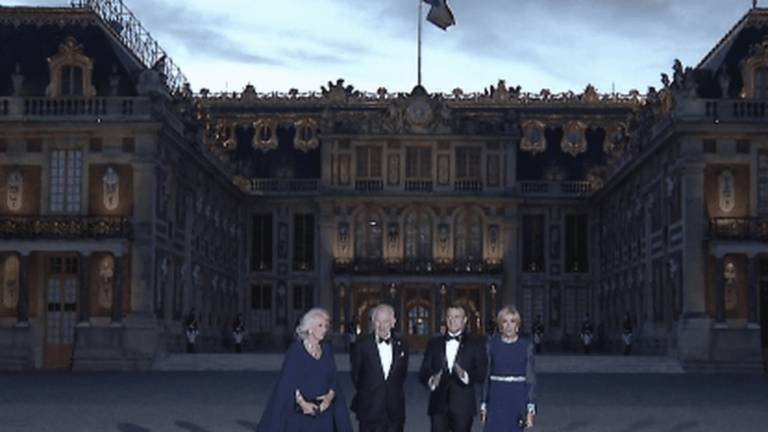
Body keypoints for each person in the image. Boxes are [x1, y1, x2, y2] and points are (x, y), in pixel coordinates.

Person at [256, 308, 352, 432]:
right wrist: (303, 403)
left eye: (325, 326)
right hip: (302, 415)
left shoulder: (327, 349)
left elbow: (333, 377)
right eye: (320, 326)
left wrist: (329, 397)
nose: (324, 329)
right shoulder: (296, 350)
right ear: (310, 328)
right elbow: (288, 382)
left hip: (325, 414)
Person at [419, 303, 487, 432]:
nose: (452, 320)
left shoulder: (475, 344)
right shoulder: (434, 343)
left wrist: (466, 376)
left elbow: (482, 373)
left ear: (464, 320)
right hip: (438, 404)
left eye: (457, 317)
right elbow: (424, 371)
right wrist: (431, 380)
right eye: (449, 317)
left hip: (463, 405)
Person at [350, 303, 410, 432]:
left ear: (393, 322)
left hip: (395, 410)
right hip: (369, 409)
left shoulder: (402, 344)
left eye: (386, 322)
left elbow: (401, 374)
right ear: (373, 322)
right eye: (378, 321)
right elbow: (356, 376)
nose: (382, 326)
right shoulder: (361, 346)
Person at [480, 306, 537, 431]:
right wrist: (484, 403)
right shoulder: (492, 344)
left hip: (517, 397)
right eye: (505, 322)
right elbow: (486, 375)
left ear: (517, 326)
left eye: (512, 322)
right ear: (500, 326)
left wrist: (530, 408)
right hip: (496, 397)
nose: (508, 326)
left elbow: (530, 378)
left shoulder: (526, 346)